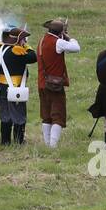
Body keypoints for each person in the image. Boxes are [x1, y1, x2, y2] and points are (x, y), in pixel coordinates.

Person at [37, 18, 80, 148]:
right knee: (58, 115)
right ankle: (52, 146)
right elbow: (76, 48)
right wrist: (69, 37)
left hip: (42, 83)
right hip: (55, 85)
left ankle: (47, 144)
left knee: (46, 115)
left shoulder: (41, 41)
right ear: (60, 32)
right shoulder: (58, 42)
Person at [0, 26, 37, 145]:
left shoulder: (1, 48)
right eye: (23, 39)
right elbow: (33, 57)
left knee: (5, 115)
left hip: (2, 87)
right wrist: (26, 46)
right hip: (15, 87)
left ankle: (5, 141)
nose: (24, 41)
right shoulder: (16, 50)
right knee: (19, 115)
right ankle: (19, 141)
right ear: (18, 40)